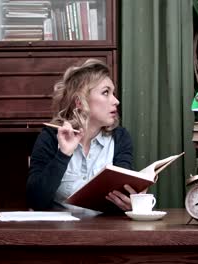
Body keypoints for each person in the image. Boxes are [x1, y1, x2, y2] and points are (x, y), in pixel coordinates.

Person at [26, 58, 140, 213]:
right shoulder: (50, 137)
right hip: (60, 234)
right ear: (79, 102)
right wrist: (64, 154)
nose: (116, 101)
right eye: (106, 92)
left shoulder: (120, 138)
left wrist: (130, 203)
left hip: (106, 233)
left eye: (113, 93)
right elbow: (36, 201)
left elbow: (120, 198)